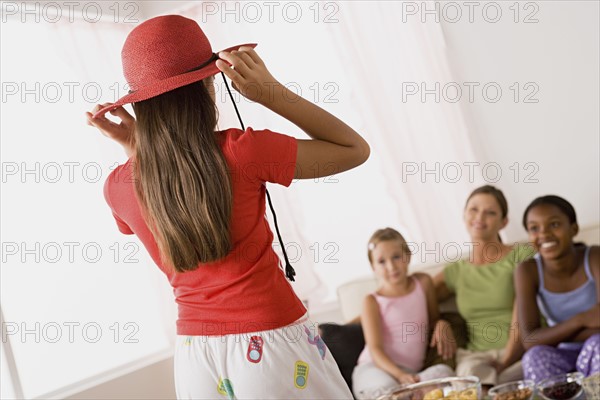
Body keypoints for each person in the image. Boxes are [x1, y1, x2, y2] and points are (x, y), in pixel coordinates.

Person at [85, 15, 369, 400]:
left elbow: (167, 193)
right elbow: (353, 150)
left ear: (141, 105)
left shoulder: (117, 186)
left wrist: (136, 148)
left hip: (195, 360)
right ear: (206, 86)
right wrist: (272, 93)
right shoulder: (243, 152)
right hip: (272, 346)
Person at [433, 185, 535, 389]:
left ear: (503, 222)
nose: (480, 217)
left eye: (490, 212)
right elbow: (407, 297)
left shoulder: (521, 256)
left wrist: (505, 361)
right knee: (469, 378)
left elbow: (523, 314)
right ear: (464, 215)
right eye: (473, 209)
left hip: (521, 352)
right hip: (477, 359)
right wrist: (439, 321)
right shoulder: (457, 271)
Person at [352, 228, 456, 399]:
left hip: (411, 374)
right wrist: (399, 375)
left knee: (445, 374)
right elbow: (375, 349)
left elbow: (433, 319)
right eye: (382, 261)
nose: (391, 266)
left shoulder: (423, 282)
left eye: (396, 257)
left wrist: (441, 324)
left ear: (408, 256)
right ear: (373, 267)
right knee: (388, 391)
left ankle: (409, 393)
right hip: (375, 369)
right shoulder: (372, 301)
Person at [515, 195, 599, 383]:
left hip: (596, 346)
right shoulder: (527, 270)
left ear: (573, 228)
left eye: (554, 224)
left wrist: (550, 335)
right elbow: (529, 340)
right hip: (563, 353)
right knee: (535, 357)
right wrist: (581, 319)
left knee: (597, 344)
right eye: (534, 228)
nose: (543, 234)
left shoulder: (594, 257)